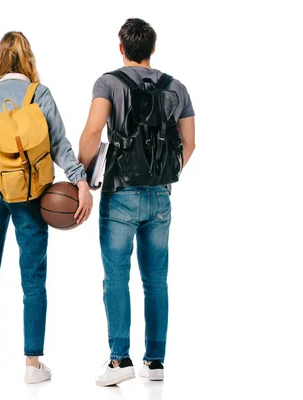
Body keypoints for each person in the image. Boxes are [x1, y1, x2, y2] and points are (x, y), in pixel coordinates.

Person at [78, 18, 196, 386]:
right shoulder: (177, 87)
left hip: (120, 193)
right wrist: (165, 173)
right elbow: (190, 143)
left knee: (116, 277)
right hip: (160, 195)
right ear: (153, 50)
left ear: (121, 47)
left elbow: (95, 130)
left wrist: (84, 175)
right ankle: (155, 363)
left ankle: (119, 361)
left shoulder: (109, 82)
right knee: (156, 280)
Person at [0, 31, 93, 384]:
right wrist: (80, 182)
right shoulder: (40, 94)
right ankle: (33, 364)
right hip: (32, 194)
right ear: (28, 61)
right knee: (33, 279)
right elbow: (60, 144)